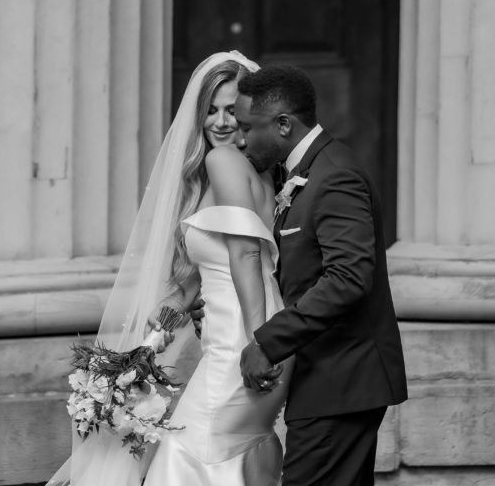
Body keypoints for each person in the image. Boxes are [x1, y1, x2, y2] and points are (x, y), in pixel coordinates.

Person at [48, 51, 289, 486]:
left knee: (185, 450)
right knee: (229, 449)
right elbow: (216, 264)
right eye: (211, 111)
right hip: (249, 326)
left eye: (232, 111)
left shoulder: (223, 162)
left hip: (244, 337)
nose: (220, 122)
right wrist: (171, 313)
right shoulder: (251, 170)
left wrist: (260, 342)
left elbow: (247, 256)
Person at [235, 64, 407, 486]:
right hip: (330, 382)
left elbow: (348, 278)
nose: (240, 139)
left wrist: (267, 341)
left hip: (341, 381)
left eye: (246, 127)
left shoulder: (334, 175)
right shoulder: (304, 171)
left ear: (282, 125)